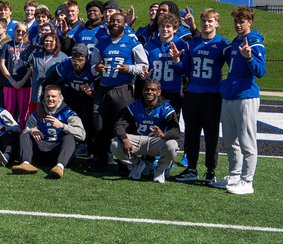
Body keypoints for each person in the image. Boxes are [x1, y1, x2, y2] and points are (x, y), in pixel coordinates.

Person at [171, 9, 227, 185]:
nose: (206, 24)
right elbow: (185, 70)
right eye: (204, 21)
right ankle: (192, 169)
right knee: (191, 134)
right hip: (193, 93)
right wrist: (176, 61)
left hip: (212, 95)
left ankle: (211, 171)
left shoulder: (223, 44)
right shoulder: (192, 43)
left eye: (210, 21)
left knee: (211, 135)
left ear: (217, 23)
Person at [214, 6, 266, 195]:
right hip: (229, 96)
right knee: (230, 140)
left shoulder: (255, 42)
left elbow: (261, 72)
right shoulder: (236, 41)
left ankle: (247, 181)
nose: (237, 25)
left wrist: (250, 56)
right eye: (236, 21)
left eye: (241, 21)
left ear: (250, 22)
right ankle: (235, 175)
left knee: (247, 142)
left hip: (246, 97)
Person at [88, 11, 148, 171]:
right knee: (99, 125)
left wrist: (129, 68)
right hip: (103, 89)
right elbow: (93, 68)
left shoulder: (132, 41)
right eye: (112, 21)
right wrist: (96, 68)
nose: (114, 23)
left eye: (118, 21)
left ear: (124, 24)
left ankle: (125, 162)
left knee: (123, 126)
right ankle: (100, 159)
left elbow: (144, 66)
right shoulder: (101, 42)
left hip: (123, 89)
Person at [109, 79, 180, 182]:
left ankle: (160, 169)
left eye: (153, 90)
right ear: (142, 91)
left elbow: (176, 131)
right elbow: (119, 125)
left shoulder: (166, 108)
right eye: (147, 89)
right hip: (139, 141)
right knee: (115, 144)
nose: (149, 92)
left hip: (156, 141)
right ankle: (138, 164)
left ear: (159, 92)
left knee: (172, 145)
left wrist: (163, 135)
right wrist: (124, 140)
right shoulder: (135, 105)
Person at [11, 85, 85, 179]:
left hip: (59, 152)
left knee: (69, 137)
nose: (50, 99)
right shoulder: (38, 112)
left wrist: (62, 126)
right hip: (41, 150)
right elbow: (28, 127)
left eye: (53, 96)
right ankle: (26, 163)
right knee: (25, 134)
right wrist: (32, 130)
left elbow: (82, 135)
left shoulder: (68, 112)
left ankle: (59, 167)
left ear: (60, 98)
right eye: (47, 96)